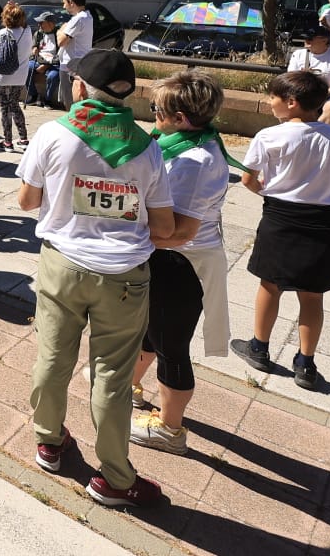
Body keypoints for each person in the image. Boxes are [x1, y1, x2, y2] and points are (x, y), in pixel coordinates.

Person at [16, 49, 180, 509]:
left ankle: (49, 442)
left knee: (52, 356)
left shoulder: (54, 133)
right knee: (111, 377)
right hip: (125, 275)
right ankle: (115, 478)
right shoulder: (147, 146)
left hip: (62, 265)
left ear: (82, 88)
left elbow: (27, 201)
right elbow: (164, 227)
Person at [230, 71, 330, 391]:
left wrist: (274, 192)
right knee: (312, 297)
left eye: (273, 97)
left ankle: (259, 347)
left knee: (269, 286)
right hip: (324, 223)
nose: (268, 102)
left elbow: (249, 179)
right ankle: (306, 362)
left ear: (291, 103)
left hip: (281, 219)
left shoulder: (268, 136)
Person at [129, 71, 233, 455]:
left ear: (180, 117)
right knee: (148, 332)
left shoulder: (194, 159)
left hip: (180, 263)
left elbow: (182, 230)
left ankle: (170, 429)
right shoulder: (181, 144)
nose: (152, 113)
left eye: (157, 109)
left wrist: (126, 238)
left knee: (171, 345)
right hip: (166, 257)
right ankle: (130, 387)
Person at [0, 1, 35, 151]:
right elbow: (25, 22)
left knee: (4, 108)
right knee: (15, 105)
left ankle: (7, 142)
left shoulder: (3, 33)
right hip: (20, 76)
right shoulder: (27, 32)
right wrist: (16, 7)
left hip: (2, 77)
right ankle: (24, 139)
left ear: (5, 19)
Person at [288, 25, 330, 127]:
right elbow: (291, 78)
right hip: (303, 92)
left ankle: (321, 134)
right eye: (305, 38)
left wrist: (322, 96)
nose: (306, 40)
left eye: (310, 38)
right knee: (284, 103)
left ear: (324, 40)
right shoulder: (298, 54)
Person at [56, 0, 93, 110]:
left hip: (70, 65)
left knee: (70, 102)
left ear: (71, 3)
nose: (63, 6)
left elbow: (61, 41)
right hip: (80, 63)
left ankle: (71, 127)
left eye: (64, 3)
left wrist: (60, 30)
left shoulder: (78, 19)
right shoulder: (87, 16)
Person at [27, 11, 61, 108]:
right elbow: (34, 46)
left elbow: (61, 55)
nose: (39, 25)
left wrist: (46, 65)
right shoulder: (38, 33)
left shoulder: (59, 35)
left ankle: (47, 99)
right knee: (26, 68)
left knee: (53, 76)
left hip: (54, 63)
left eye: (42, 22)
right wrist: (34, 49)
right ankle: (33, 95)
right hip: (39, 60)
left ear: (51, 23)